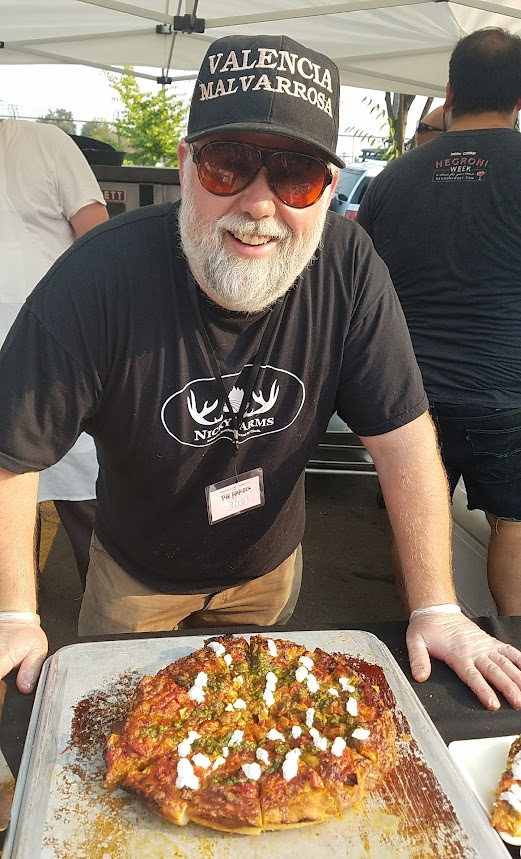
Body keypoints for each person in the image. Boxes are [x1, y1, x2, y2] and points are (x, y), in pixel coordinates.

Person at [0, 34, 520, 714]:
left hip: (267, 569)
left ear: (328, 189)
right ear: (186, 165)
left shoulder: (346, 263)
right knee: (125, 727)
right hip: (135, 574)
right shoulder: (101, 272)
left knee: (252, 729)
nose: (258, 204)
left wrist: (437, 604)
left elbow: (401, 435)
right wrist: (14, 614)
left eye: (295, 176)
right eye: (227, 165)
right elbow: (12, 455)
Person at [358, 27, 521, 620]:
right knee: (514, 519)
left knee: (415, 513)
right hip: (507, 392)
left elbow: (360, 288)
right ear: (519, 98)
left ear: (449, 92)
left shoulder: (392, 180)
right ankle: (513, 658)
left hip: (407, 395)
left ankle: (419, 640)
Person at [0, 118, 109, 587]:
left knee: (86, 492)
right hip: (49, 352)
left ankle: (108, 612)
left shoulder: (42, 141)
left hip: (60, 355)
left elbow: (97, 240)